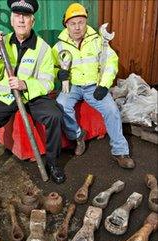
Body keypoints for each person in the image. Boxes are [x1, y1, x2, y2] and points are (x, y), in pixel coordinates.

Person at [0, 0, 66, 185]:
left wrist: (25, 84)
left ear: (33, 21)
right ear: (11, 19)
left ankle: (52, 163)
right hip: (6, 96)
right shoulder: (2, 42)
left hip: (32, 96)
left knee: (55, 115)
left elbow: (48, 82)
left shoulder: (43, 48)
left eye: (25, 17)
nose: (21, 21)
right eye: (17, 16)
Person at [52, 3, 135, 169]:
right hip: (72, 87)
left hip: (94, 86)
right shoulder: (59, 46)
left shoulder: (98, 41)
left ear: (86, 22)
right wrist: (57, 74)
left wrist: (104, 85)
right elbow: (51, 68)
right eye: (72, 23)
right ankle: (78, 136)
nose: (77, 27)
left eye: (80, 22)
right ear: (66, 25)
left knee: (111, 110)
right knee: (61, 105)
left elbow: (111, 62)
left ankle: (120, 152)